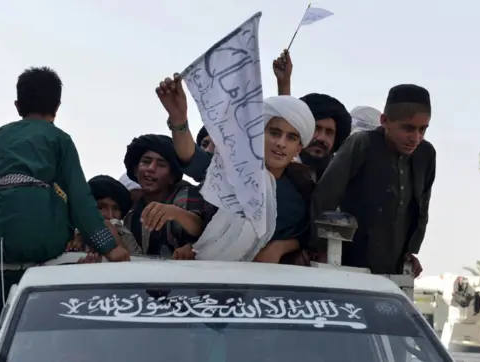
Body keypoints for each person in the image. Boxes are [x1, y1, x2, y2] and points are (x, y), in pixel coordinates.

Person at [0, 66, 129, 360]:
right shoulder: (60, 139)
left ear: (18, 106)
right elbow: (79, 197)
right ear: (57, 108)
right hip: (46, 244)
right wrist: (109, 247)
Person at [157, 74, 317, 263]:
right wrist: (178, 120)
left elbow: (307, 236)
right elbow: (191, 157)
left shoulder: (300, 190)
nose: (281, 143)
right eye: (274, 133)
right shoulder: (231, 171)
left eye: (291, 137)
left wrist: (282, 246)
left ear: (298, 148)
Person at [311, 84, 435, 276]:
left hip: (394, 262)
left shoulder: (426, 154)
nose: (416, 138)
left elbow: (422, 205)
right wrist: (318, 248)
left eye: (423, 130)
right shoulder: (362, 144)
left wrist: (411, 250)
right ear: (384, 121)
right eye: (408, 128)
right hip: (348, 260)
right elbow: (324, 196)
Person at [123, 133, 205, 259]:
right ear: (135, 170)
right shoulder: (131, 216)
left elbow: (203, 228)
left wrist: (176, 213)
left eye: (161, 164)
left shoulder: (186, 195)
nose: (151, 168)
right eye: (146, 162)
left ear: (172, 177)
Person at [272, 50, 352, 179]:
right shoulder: (278, 171)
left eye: (329, 133)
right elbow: (288, 123)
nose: (321, 138)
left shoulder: (338, 179)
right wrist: (284, 83)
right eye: (316, 128)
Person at [67, 175, 142, 255]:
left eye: (115, 208)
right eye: (101, 207)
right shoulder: (71, 237)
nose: (110, 215)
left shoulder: (126, 236)